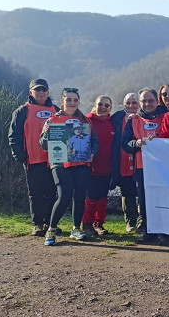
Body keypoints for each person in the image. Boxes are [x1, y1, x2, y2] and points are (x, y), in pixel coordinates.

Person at [39, 88, 99, 246]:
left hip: (82, 163)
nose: (72, 103)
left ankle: (76, 229)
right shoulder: (52, 120)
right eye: (68, 100)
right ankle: (51, 230)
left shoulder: (86, 121)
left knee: (80, 197)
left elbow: (94, 141)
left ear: (79, 101)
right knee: (64, 195)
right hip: (60, 164)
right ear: (62, 102)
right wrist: (45, 134)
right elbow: (44, 145)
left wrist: (92, 152)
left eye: (75, 100)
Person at [8, 79, 58, 237]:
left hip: (53, 160)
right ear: (31, 92)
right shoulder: (22, 111)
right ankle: (37, 224)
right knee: (35, 193)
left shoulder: (56, 109)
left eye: (44, 90)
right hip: (32, 160)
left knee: (52, 192)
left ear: (48, 92)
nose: (41, 93)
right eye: (38, 90)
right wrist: (20, 156)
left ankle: (50, 223)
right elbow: (14, 136)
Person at [121, 87, 165, 242]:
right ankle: (148, 231)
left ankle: (165, 232)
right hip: (142, 167)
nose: (147, 103)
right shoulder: (133, 120)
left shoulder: (165, 117)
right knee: (145, 201)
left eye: (151, 100)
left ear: (157, 101)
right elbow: (125, 143)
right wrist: (136, 143)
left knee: (164, 199)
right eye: (144, 101)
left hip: (165, 167)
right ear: (139, 103)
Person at [82, 95, 116, 236]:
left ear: (110, 108)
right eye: (100, 104)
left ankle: (99, 223)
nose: (103, 107)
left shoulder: (112, 124)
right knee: (92, 197)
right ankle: (87, 224)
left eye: (106, 105)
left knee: (103, 197)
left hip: (107, 167)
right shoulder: (87, 121)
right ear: (95, 105)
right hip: (91, 167)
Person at [110, 93, 139, 232]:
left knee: (142, 192)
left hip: (140, 160)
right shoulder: (116, 117)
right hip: (122, 160)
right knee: (127, 193)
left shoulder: (145, 116)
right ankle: (130, 222)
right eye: (128, 103)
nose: (131, 106)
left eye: (134, 103)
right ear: (123, 104)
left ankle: (144, 222)